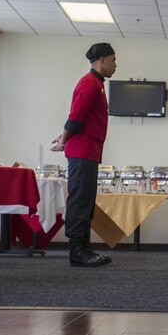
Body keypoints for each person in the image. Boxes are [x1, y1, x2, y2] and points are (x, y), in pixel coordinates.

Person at [51, 43, 117, 267]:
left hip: (88, 152)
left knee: (86, 200)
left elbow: (81, 119)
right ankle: (77, 251)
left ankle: (84, 247)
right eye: (113, 60)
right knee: (80, 200)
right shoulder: (89, 83)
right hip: (82, 153)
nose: (116, 65)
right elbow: (75, 117)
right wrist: (64, 139)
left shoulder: (96, 84)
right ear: (101, 60)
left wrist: (64, 137)